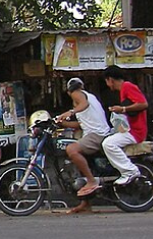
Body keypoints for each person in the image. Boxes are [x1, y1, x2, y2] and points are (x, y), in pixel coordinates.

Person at [55, 77, 112, 214]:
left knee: (71, 149)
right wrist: (62, 124)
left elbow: (84, 104)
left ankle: (91, 181)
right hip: (94, 133)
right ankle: (85, 204)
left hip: (96, 135)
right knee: (78, 160)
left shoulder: (79, 97)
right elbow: (81, 125)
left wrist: (70, 112)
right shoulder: (87, 99)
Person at [102, 65, 148, 185]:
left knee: (108, 144)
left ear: (110, 80)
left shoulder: (127, 87)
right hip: (131, 129)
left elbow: (143, 104)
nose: (107, 85)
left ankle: (129, 171)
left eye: (106, 81)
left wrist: (122, 109)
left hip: (136, 131)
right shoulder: (123, 90)